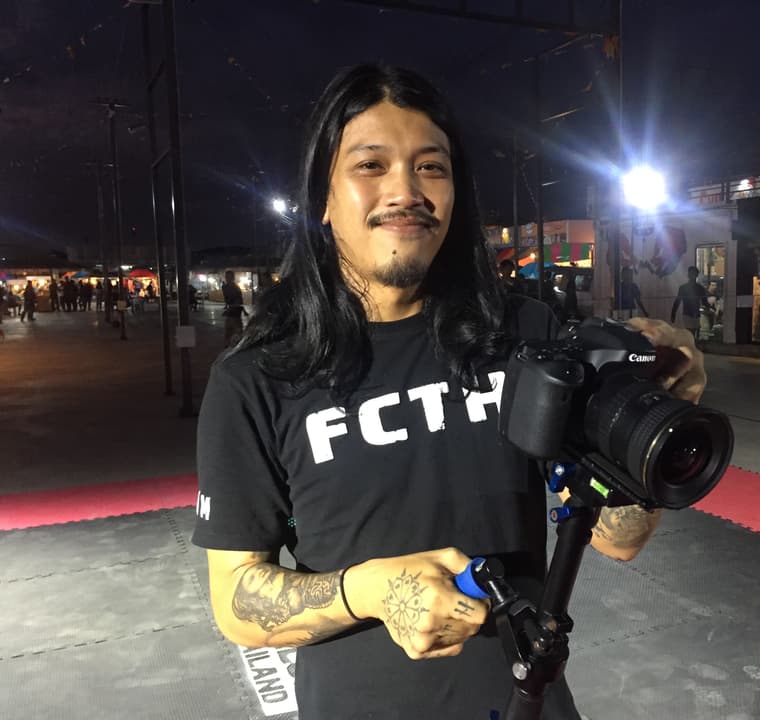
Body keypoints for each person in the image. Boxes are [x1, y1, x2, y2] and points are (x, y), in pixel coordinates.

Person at [191, 64, 706, 720]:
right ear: (322, 196)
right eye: (371, 165)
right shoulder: (257, 379)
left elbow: (617, 537)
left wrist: (658, 419)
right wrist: (370, 590)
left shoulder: (525, 335)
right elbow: (237, 599)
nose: (405, 190)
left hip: (530, 704)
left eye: (430, 167)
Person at [671, 265, 709, 337]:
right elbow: (677, 301)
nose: (692, 276)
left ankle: (692, 346)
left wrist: (710, 308)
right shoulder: (683, 288)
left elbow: (704, 301)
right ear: (688, 275)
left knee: (693, 333)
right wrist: (673, 313)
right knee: (690, 333)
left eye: (694, 274)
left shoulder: (700, 288)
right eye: (691, 274)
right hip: (687, 314)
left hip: (696, 314)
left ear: (696, 275)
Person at [221, 269, 247, 347]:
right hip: (232, 310)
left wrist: (243, 310)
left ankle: (237, 345)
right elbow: (227, 299)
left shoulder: (235, 287)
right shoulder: (225, 287)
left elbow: (239, 300)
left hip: (235, 310)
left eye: (229, 277)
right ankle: (228, 345)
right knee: (229, 330)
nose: (227, 278)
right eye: (226, 277)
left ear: (232, 278)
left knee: (236, 329)